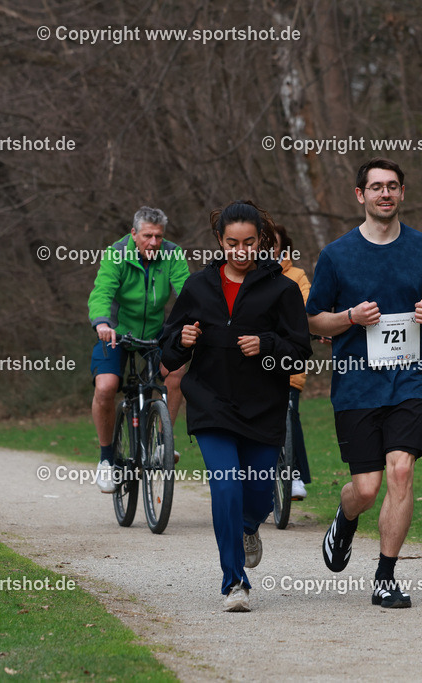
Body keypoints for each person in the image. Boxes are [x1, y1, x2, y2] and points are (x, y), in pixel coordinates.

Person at [306, 158, 422, 609]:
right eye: (375, 187)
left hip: (409, 379)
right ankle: (345, 519)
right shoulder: (336, 255)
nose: (384, 193)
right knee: (366, 488)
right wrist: (349, 317)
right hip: (356, 385)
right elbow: (314, 319)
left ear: (402, 193)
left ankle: (385, 576)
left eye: (392, 186)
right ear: (360, 195)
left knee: (402, 470)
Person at [160, 201, 311, 612]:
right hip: (211, 404)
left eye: (248, 243)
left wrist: (267, 344)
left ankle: (248, 528)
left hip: (263, 406)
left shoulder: (281, 289)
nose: (241, 251)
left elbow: (300, 355)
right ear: (219, 241)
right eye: (232, 243)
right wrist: (182, 341)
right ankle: (234, 583)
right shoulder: (198, 287)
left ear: (261, 240)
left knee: (259, 498)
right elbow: (167, 353)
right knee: (225, 486)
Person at [88, 206, 190, 493]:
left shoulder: (172, 254)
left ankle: (161, 444)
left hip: (157, 332)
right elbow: (102, 293)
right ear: (134, 234)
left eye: (158, 236)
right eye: (147, 236)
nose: (154, 243)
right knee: (106, 387)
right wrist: (102, 322)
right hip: (117, 332)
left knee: (176, 372)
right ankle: (107, 459)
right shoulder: (116, 254)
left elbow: (186, 292)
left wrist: (189, 324)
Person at [264, 222, 312, 500]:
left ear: (282, 247)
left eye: (275, 244)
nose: (270, 249)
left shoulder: (296, 275)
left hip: (287, 358)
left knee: (289, 412)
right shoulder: (247, 273)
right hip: (253, 360)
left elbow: (307, 309)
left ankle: (293, 474)